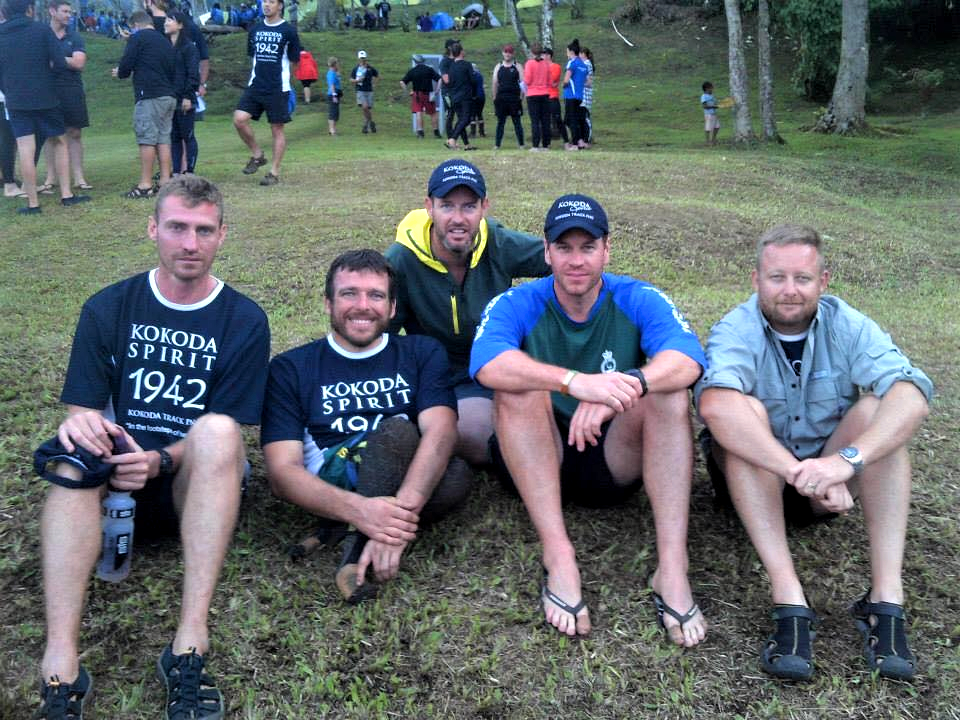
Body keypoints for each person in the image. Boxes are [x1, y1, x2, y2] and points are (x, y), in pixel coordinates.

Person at [32, 176, 270, 720]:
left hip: (194, 488)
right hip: (111, 489)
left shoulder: (244, 319)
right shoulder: (109, 307)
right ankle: (61, 663)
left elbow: (228, 433)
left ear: (222, 235)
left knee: (218, 431)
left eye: (203, 230)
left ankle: (190, 643)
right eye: (177, 228)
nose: (190, 243)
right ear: (152, 228)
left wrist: (160, 460)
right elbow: (82, 411)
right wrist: (103, 443)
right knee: (74, 449)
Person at [695, 224, 932, 681]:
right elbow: (715, 406)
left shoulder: (847, 323)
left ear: (823, 282)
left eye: (802, 278)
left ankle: (885, 599)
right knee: (743, 414)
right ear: (756, 279)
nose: (790, 290)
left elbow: (912, 393)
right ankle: (789, 599)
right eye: (776, 277)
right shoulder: (736, 327)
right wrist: (799, 472)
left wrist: (844, 463)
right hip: (756, 483)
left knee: (881, 411)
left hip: (829, 482)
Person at [469, 194, 709, 643]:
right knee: (517, 385)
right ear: (547, 251)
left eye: (588, 247)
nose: (576, 260)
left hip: (612, 459)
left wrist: (626, 386)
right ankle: (559, 556)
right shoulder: (518, 301)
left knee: (669, 394)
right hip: (539, 455)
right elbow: (487, 363)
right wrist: (575, 383)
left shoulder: (637, 296)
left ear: (606, 250)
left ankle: (672, 567)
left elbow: (689, 358)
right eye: (564, 247)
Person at [261, 249, 473, 603]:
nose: (363, 306)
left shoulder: (421, 352)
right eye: (349, 294)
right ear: (328, 303)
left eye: (376, 295)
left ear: (392, 307)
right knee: (397, 431)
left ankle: (345, 530)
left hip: (401, 474)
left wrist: (395, 514)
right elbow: (282, 475)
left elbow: (442, 431)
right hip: (336, 477)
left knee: (457, 475)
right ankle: (355, 556)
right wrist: (364, 512)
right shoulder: (291, 367)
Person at [385, 159, 549, 466]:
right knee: (477, 432)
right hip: (442, 375)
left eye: (469, 206)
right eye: (447, 206)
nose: (458, 219)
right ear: (429, 207)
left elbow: (559, 259)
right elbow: (381, 335)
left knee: (538, 414)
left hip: (498, 364)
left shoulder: (497, 242)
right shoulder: (401, 260)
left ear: (484, 207)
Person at [0, 0, 89, 214]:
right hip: (46, 96)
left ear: (5, 10)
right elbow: (59, 62)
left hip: (16, 99)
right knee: (59, 141)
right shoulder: (41, 30)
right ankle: (66, 195)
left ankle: (32, 203)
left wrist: (9, 88)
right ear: (30, 9)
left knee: (25, 148)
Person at [233, 0, 300, 186]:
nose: (266, 5)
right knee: (239, 119)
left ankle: (274, 172)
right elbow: (253, 56)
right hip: (256, 85)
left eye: (271, 1)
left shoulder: (288, 31)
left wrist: (286, 81)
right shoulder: (255, 29)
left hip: (277, 88)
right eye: (265, 1)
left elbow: (295, 60)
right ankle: (257, 155)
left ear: (280, 6)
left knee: (277, 129)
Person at [112, 10, 176, 198]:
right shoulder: (164, 40)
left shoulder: (137, 38)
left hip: (149, 95)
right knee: (163, 139)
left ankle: (145, 185)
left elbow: (126, 66)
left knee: (147, 138)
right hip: (168, 95)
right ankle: (165, 181)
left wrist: (119, 72)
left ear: (135, 25)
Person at [40, 0, 92, 195]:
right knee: (50, 135)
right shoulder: (42, 34)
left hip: (72, 89)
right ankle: (50, 178)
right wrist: (66, 60)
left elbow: (79, 63)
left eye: (70, 12)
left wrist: (56, 59)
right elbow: (38, 62)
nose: (69, 15)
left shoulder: (74, 36)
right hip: (47, 89)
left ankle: (79, 177)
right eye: (65, 11)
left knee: (75, 133)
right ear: (52, 11)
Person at [166, 10, 200, 176]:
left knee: (188, 135)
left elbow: (193, 73)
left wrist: (188, 95)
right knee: (174, 137)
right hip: (169, 98)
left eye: (170, 20)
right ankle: (176, 171)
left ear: (180, 25)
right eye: (166, 19)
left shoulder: (188, 47)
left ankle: (190, 171)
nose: (166, 23)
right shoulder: (164, 47)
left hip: (185, 98)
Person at [491, 43, 524, 149]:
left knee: (517, 122)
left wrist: (521, 97)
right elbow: (495, 83)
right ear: (503, 53)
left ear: (513, 54)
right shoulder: (498, 66)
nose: (507, 54)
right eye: (506, 52)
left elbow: (523, 82)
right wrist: (494, 97)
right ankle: (497, 145)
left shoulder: (518, 66)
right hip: (501, 98)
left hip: (514, 98)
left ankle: (521, 144)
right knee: (500, 123)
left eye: (510, 52)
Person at [442, 42, 474, 151]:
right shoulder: (467, 65)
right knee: (466, 119)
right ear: (461, 52)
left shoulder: (451, 67)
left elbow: (449, 82)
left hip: (454, 97)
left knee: (461, 120)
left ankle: (466, 144)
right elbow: (472, 80)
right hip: (465, 96)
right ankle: (452, 139)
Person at [400, 54, 441, 139]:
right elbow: (440, 79)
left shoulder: (412, 71)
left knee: (419, 112)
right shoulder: (429, 69)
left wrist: (407, 91)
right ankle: (436, 132)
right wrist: (437, 90)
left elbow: (402, 82)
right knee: (433, 113)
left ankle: (420, 132)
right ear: (423, 61)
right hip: (428, 94)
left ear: (415, 62)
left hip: (417, 95)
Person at [523, 42, 552, 151]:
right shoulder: (546, 64)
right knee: (545, 121)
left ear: (531, 52)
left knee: (535, 121)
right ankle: (545, 145)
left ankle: (535, 145)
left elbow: (527, 80)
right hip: (545, 94)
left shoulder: (529, 63)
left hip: (533, 94)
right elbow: (550, 81)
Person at [562, 39, 588, 150]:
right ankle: (580, 141)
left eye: (567, 51)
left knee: (571, 120)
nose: (566, 54)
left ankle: (575, 144)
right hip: (579, 96)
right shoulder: (583, 64)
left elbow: (566, 79)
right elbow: (587, 82)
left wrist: (564, 85)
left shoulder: (572, 63)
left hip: (570, 96)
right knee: (570, 119)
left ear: (571, 52)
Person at [350, 50, 379, 133]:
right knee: (365, 107)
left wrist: (374, 84)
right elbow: (351, 79)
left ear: (366, 58)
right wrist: (357, 81)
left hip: (369, 90)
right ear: (358, 59)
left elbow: (377, 75)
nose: (362, 60)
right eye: (361, 58)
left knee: (367, 109)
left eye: (363, 58)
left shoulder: (370, 68)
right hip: (360, 90)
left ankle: (367, 125)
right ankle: (369, 123)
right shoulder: (356, 69)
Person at [544, 47, 567, 144]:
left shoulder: (556, 66)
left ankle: (566, 141)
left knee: (558, 119)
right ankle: (546, 143)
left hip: (553, 97)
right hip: (543, 97)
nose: (542, 56)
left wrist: (544, 80)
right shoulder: (541, 67)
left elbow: (552, 80)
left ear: (549, 55)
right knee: (545, 121)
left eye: (544, 54)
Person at [579, 46, 594, 145]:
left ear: (584, 54)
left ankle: (587, 138)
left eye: (580, 53)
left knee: (585, 117)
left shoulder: (586, 64)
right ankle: (583, 138)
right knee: (582, 117)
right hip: (583, 95)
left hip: (585, 95)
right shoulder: (585, 64)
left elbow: (588, 82)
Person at [326, 56, 342, 136]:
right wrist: (334, 95)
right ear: (334, 64)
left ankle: (332, 129)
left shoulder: (334, 72)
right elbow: (332, 85)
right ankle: (332, 130)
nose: (338, 64)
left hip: (335, 94)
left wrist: (338, 73)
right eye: (337, 63)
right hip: (333, 94)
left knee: (336, 113)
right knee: (333, 112)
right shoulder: (331, 73)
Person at [701, 81, 719, 146]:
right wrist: (713, 106)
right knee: (708, 128)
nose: (712, 90)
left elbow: (715, 103)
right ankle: (707, 141)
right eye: (711, 88)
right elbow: (704, 106)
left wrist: (717, 105)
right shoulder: (704, 96)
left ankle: (713, 140)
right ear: (707, 89)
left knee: (717, 127)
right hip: (708, 115)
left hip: (714, 114)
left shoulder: (712, 96)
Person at [469, 62, 485, 138]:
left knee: (472, 115)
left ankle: (473, 133)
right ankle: (481, 132)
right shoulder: (480, 75)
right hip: (482, 97)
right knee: (479, 114)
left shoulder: (472, 76)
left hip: (475, 97)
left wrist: (473, 96)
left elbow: (473, 86)